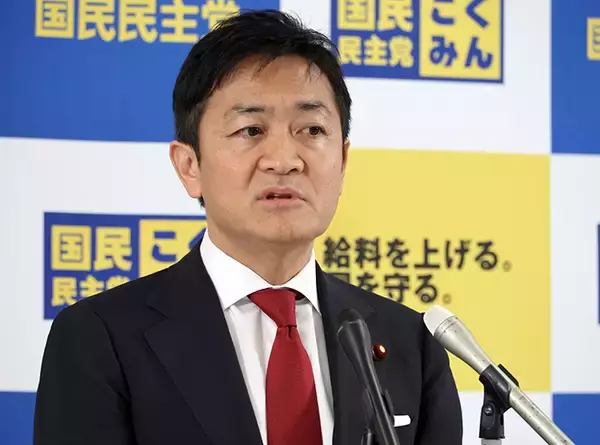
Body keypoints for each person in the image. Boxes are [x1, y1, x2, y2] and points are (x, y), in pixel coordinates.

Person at [33, 9, 462, 445]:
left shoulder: (410, 344)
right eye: (251, 130)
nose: (285, 160)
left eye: (312, 129)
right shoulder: (101, 339)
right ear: (189, 166)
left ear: (343, 160)